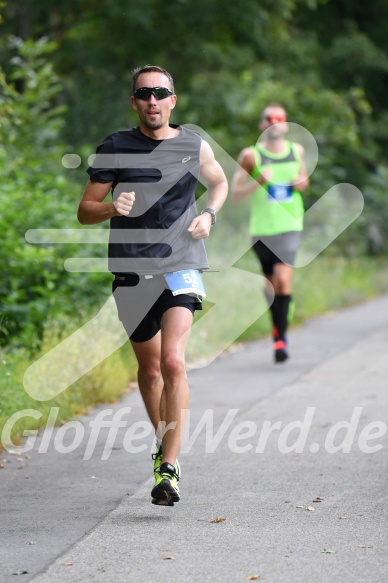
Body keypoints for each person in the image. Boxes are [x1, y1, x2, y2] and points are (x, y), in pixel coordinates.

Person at [77, 65, 228, 506]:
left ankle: (168, 468)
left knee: (174, 362)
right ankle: (165, 444)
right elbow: (85, 210)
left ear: (173, 100)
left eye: (161, 93)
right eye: (145, 94)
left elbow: (217, 182)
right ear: (135, 102)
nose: (153, 101)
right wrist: (110, 208)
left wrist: (209, 215)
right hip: (130, 270)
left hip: (181, 263)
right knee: (149, 371)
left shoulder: (192, 143)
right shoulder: (116, 146)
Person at [231, 103, 309, 363]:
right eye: (269, 118)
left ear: (286, 124)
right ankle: (280, 315)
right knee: (271, 286)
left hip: (290, 226)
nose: (274, 122)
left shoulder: (296, 151)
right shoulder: (250, 156)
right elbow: (235, 194)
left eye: (280, 118)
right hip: (262, 230)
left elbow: (304, 181)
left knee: (282, 279)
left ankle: (280, 339)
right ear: (262, 125)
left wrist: (300, 183)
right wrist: (258, 182)